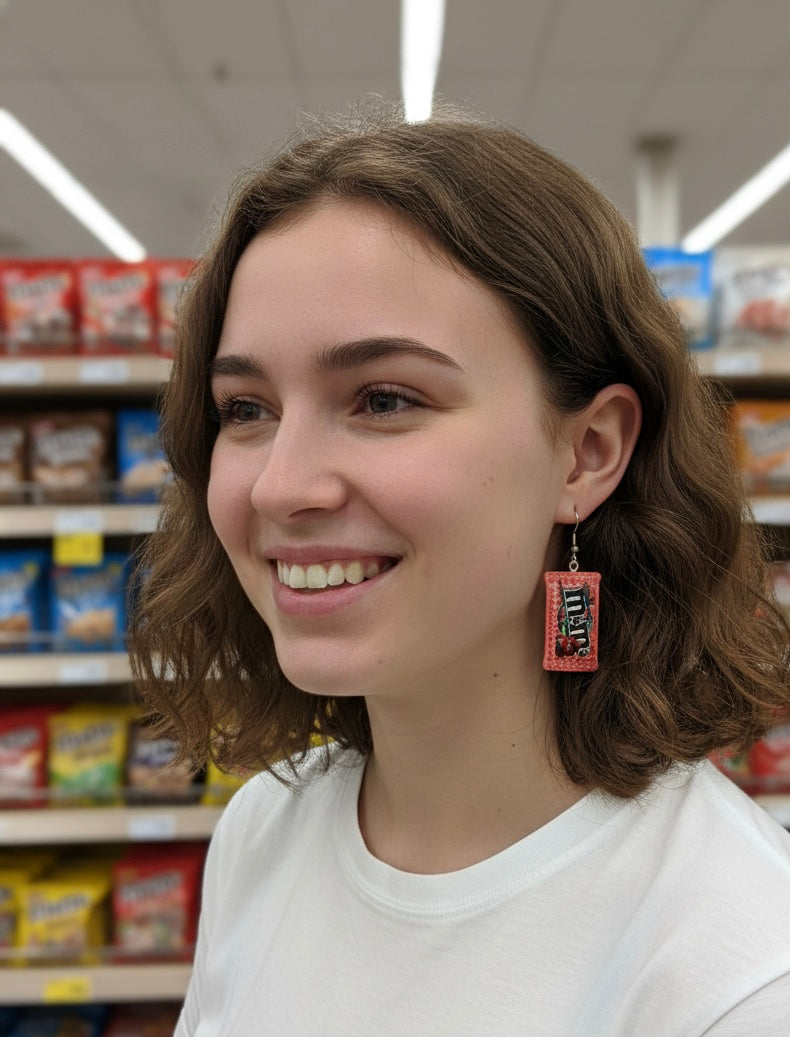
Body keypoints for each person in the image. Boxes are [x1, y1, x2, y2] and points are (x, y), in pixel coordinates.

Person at [129, 100, 790, 1036]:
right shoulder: (262, 831)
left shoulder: (743, 975)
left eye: (383, 398)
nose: (279, 485)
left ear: (587, 453)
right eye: (245, 409)